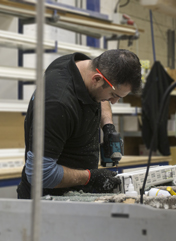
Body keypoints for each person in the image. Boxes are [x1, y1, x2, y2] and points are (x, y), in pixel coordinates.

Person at [17, 49, 142, 199]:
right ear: (96, 79)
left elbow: (102, 98)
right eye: (114, 95)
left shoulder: (85, 67)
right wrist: (90, 177)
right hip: (48, 201)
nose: (114, 102)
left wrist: (108, 126)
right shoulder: (57, 104)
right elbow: (39, 174)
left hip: (76, 194)